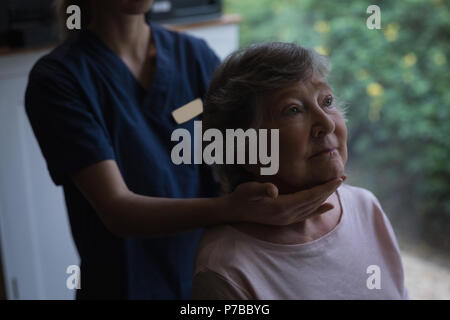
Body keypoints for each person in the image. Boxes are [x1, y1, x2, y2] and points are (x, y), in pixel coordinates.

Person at [24, 1, 344, 299]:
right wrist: (235, 208)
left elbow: (239, 159)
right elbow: (118, 211)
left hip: (213, 276)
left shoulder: (194, 56)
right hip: (125, 287)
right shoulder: (58, 80)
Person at [192, 42, 410, 299]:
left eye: (327, 101)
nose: (326, 123)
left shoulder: (366, 207)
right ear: (245, 150)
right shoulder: (226, 268)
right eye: (293, 110)